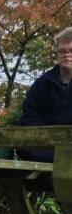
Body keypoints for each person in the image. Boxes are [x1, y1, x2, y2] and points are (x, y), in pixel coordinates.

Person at [18, 26, 72, 162]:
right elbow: (28, 116)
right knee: (23, 148)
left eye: (71, 51)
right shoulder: (43, 83)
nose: (66, 54)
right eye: (62, 51)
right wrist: (48, 136)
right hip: (47, 146)